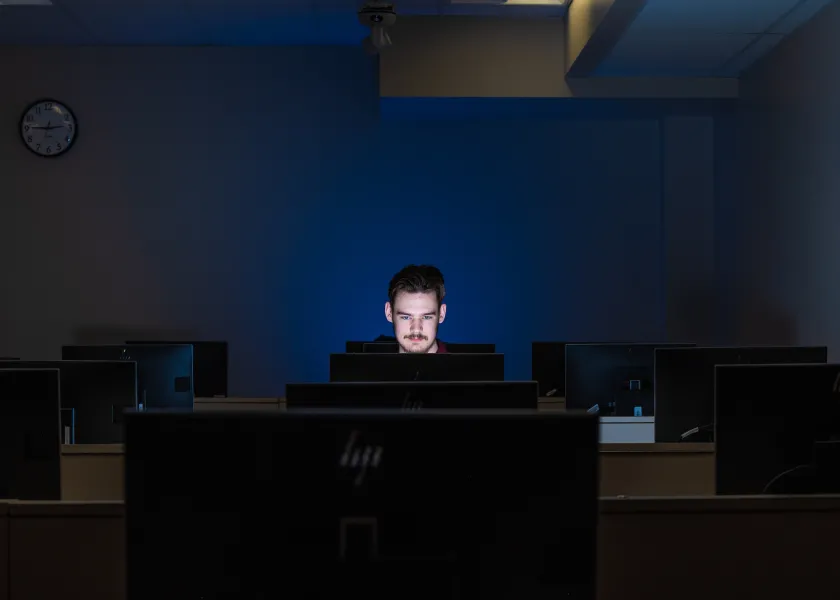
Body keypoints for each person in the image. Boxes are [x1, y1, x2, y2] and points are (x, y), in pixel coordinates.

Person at [385, 265, 448, 354]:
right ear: (389, 312)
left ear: (442, 313)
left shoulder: (467, 367)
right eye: (406, 317)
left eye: (426, 317)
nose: (416, 329)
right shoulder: (368, 364)